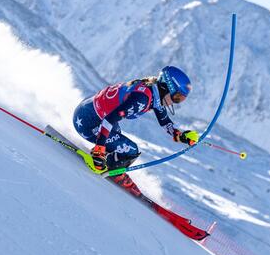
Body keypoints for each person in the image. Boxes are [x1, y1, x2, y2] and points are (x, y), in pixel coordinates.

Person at [72, 66, 199, 196]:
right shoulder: (142, 99)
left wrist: (180, 135)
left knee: (119, 144)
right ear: (166, 87)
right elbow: (109, 119)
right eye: (177, 97)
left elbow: (165, 121)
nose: (177, 102)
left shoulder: (153, 93)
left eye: (181, 99)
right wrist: (99, 148)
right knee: (130, 151)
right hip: (88, 122)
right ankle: (108, 169)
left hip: (89, 112)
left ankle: (107, 161)